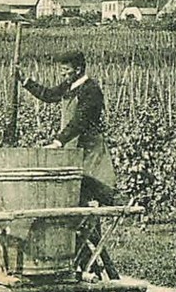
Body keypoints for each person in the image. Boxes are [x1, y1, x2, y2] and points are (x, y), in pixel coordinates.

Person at [16, 50, 118, 206]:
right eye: (62, 70)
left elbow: (80, 121)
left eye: (66, 70)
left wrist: (58, 142)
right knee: (73, 192)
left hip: (89, 148)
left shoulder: (91, 89)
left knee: (89, 191)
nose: (63, 74)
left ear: (78, 70)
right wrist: (26, 81)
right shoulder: (69, 85)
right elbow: (49, 95)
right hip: (72, 145)